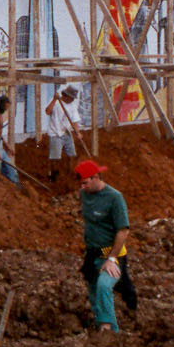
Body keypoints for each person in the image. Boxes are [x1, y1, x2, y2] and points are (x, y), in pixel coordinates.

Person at [76, 159, 136, 331]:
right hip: (92, 253)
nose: (83, 187)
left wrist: (111, 258)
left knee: (104, 285)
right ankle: (98, 325)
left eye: (85, 183)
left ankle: (108, 329)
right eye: (81, 184)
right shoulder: (84, 194)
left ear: (96, 178)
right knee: (93, 289)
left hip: (111, 254)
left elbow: (123, 231)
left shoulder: (115, 198)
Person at [43, 86, 81, 195]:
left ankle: (71, 173)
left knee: (72, 154)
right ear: (66, 96)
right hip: (55, 133)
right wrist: (55, 99)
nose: (73, 99)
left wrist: (77, 132)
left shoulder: (72, 106)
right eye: (71, 97)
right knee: (55, 157)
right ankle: (53, 175)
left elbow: (75, 121)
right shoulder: (56, 103)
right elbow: (47, 111)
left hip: (66, 132)